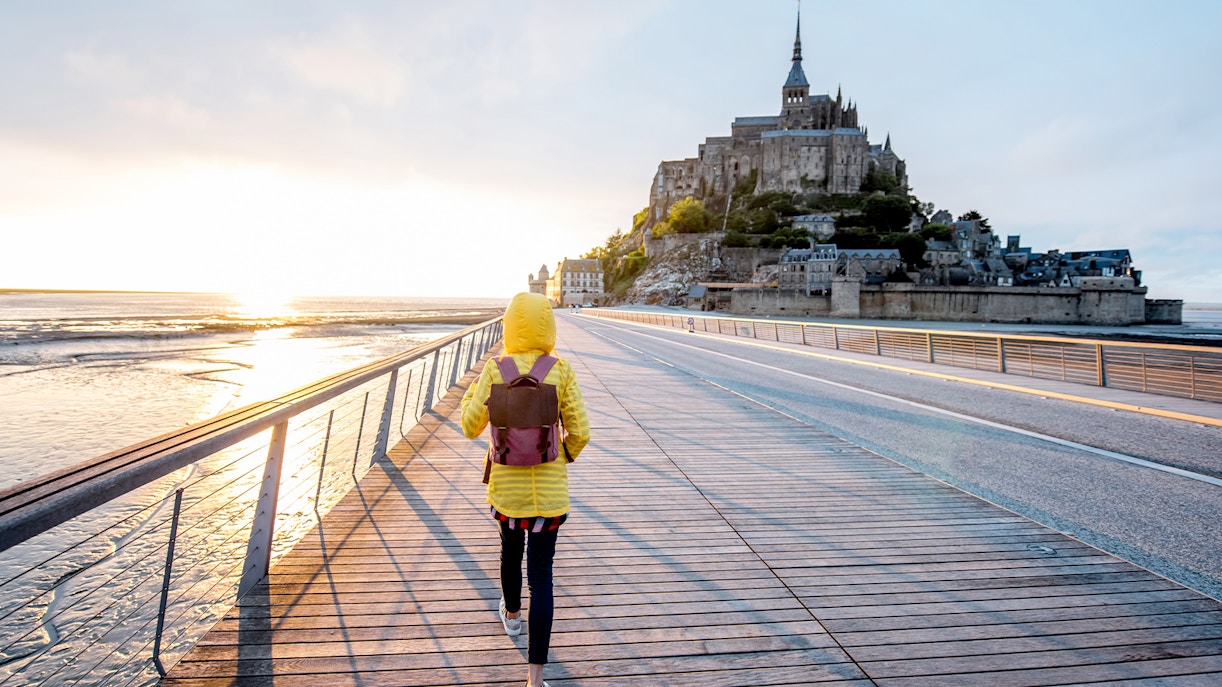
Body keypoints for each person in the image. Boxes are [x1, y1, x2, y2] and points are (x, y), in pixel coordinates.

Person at [461, 292, 590, 687]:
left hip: (507, 495)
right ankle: (535, 678)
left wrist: (475, 392)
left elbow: (469, 426)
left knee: (509, 553)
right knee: (543, 575)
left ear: (508, 326)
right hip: (549, 498)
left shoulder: (495, 368)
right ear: (548, 324)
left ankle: (512, 617)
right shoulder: (560, 369)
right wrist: (561, 456)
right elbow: (581, 431)